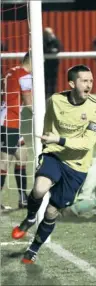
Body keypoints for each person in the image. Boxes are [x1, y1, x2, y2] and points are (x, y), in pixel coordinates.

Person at [11, 65, 96, 264]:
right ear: (72, 83)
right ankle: (29, 218)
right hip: (55, 155)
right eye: (84, 81)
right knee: (39, 188)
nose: (89, 85)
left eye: (90, 80)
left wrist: (59, 139)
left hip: (78, 165)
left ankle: (33, 249)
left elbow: (88, 143)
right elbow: (49, 125)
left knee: (52, 211)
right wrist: (49, 143)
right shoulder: (55, 100)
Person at [0, 52, 32, 209]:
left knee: (23, 155)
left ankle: (23, 198)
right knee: (4, 162)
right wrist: (41, 114)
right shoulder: (25, 76)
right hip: (9, 122)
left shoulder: (11, 71)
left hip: (8, 119)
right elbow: (28, 101)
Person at [43, 27, 62, 99]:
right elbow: (44, 49)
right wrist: (52, 50)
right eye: (47, 34)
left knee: (53, 81)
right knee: (45, 81)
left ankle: (52, 96)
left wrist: (52, 50)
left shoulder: (55, 40)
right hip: (45, 64)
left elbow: (59, 48)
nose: (49, 35)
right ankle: (44, 97)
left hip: (54, 65)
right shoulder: (42, 40)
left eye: (50, 33)